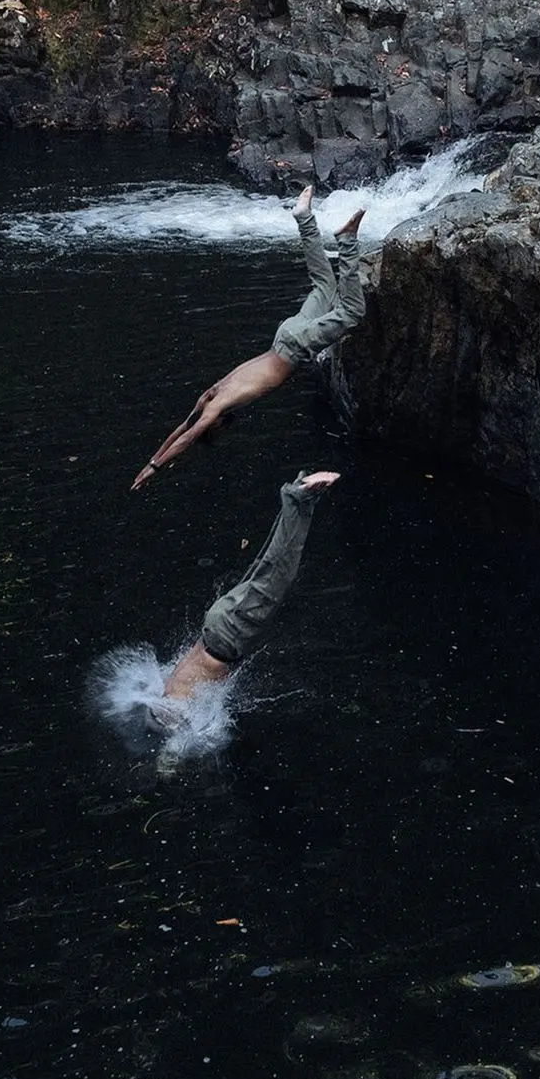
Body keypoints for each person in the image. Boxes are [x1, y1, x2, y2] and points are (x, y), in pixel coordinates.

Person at [131, 185, 364, 490]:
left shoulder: (218, 406)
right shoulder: (210, 394)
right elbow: (183, 428)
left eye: (216, 427)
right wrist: (152, 460)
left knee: (352, 312)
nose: (219, 424)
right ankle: (304, 217)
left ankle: (347, 241)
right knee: (324, 286)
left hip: (293, 346)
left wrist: (155, 468)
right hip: (283, 336)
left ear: (212, 424)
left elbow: (187, 436)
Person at [161, 470, 340, 700]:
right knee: (267, 567)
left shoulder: (174, 704)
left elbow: (175, 721)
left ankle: (298, 497)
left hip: (228, 635)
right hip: (218, 628)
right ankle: (302, 495)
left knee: (280, 572)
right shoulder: (168, 688)